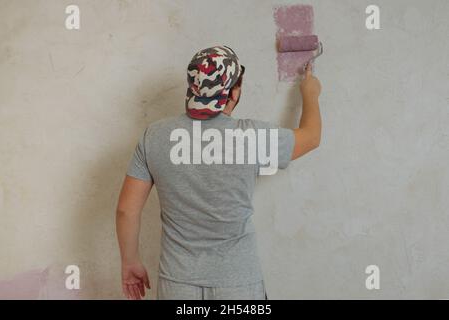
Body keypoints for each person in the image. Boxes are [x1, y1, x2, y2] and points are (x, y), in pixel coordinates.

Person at [116, 45, 321, 300]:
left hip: (178, 285)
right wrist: (310, 93)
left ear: (192, 87)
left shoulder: (155, 136)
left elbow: (126, 210)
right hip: (239, 284)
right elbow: (312, 137)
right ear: (234, 92)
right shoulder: (251, 137)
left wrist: (130, 262)